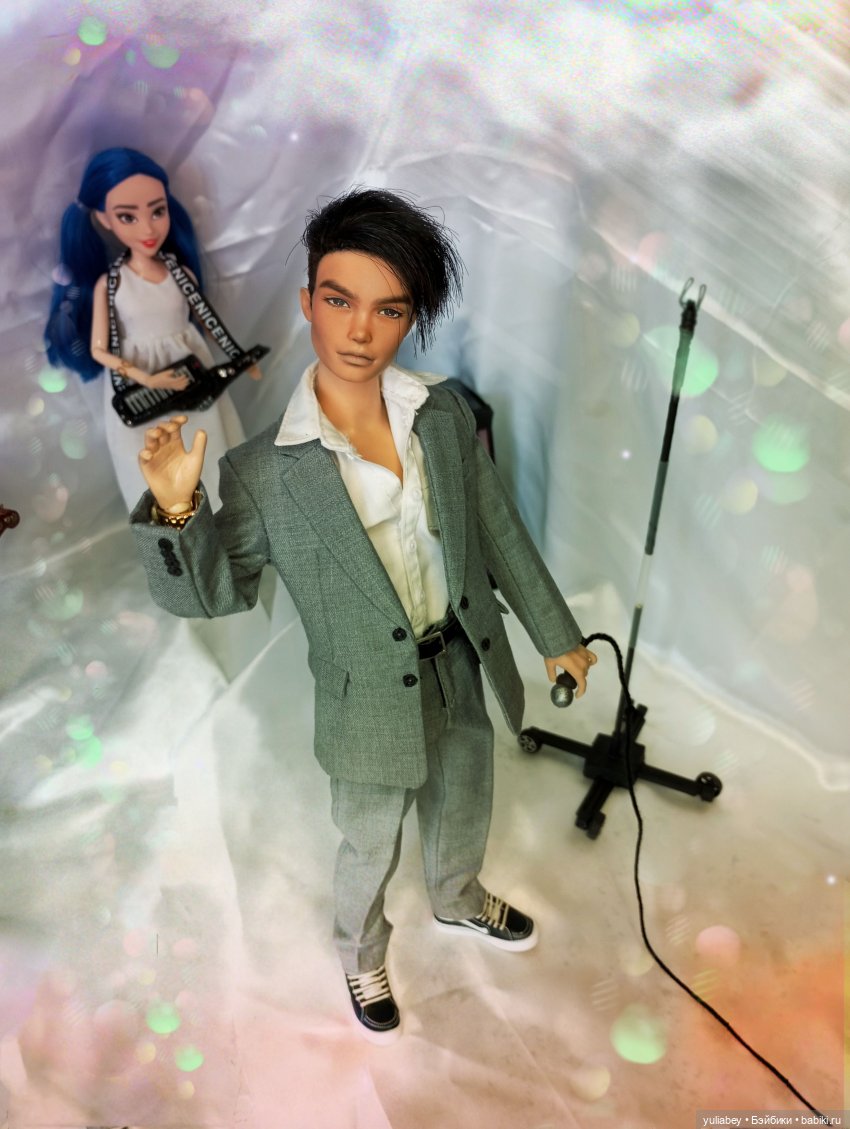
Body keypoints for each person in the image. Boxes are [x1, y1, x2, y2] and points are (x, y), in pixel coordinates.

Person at [128, 188, 597, 1044]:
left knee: (465, 796)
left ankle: (456, 894)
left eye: (389, 309)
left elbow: (499, 529)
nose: (360, 330)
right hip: (364, 695)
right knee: (369, 838)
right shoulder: (266, 471)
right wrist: (176, 512)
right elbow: (214, 595)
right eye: (340, 301)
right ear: (308, 302)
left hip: (458, 659)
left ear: (411, 319)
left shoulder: (443, 414)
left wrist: (556, 635)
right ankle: (360, 949)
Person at [44, 147, 260, 510]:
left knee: (210, 452)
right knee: (155, 476)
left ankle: (228, 522)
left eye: (157, 211)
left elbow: (207, 323)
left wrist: (239, 358)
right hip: (141, 392)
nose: (147, 228)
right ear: (104, 219)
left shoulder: (181, 274)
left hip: (192, 381)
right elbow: (99, 350)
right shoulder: (111, 285)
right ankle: (174, 533)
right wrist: (148, 378)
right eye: (127, 217)